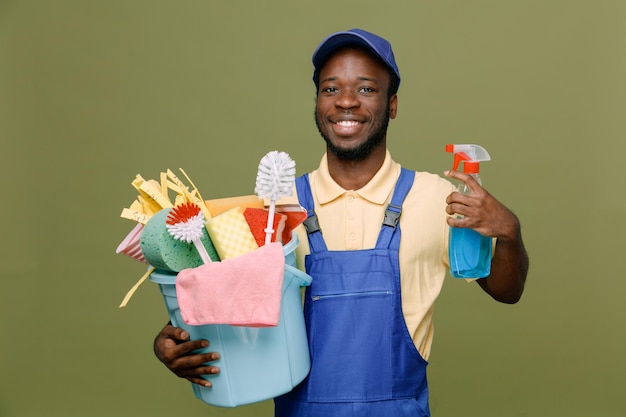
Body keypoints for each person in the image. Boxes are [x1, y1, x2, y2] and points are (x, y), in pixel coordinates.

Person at [153, 28, 529, 417]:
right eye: (331, 89)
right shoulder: (272, 211)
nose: (346, 102)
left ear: (393, 104)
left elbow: (506, 290)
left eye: (366, 89)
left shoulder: (436, 199)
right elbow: (224, 309)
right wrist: (174, 342)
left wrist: (510, 234)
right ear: (317, 102)